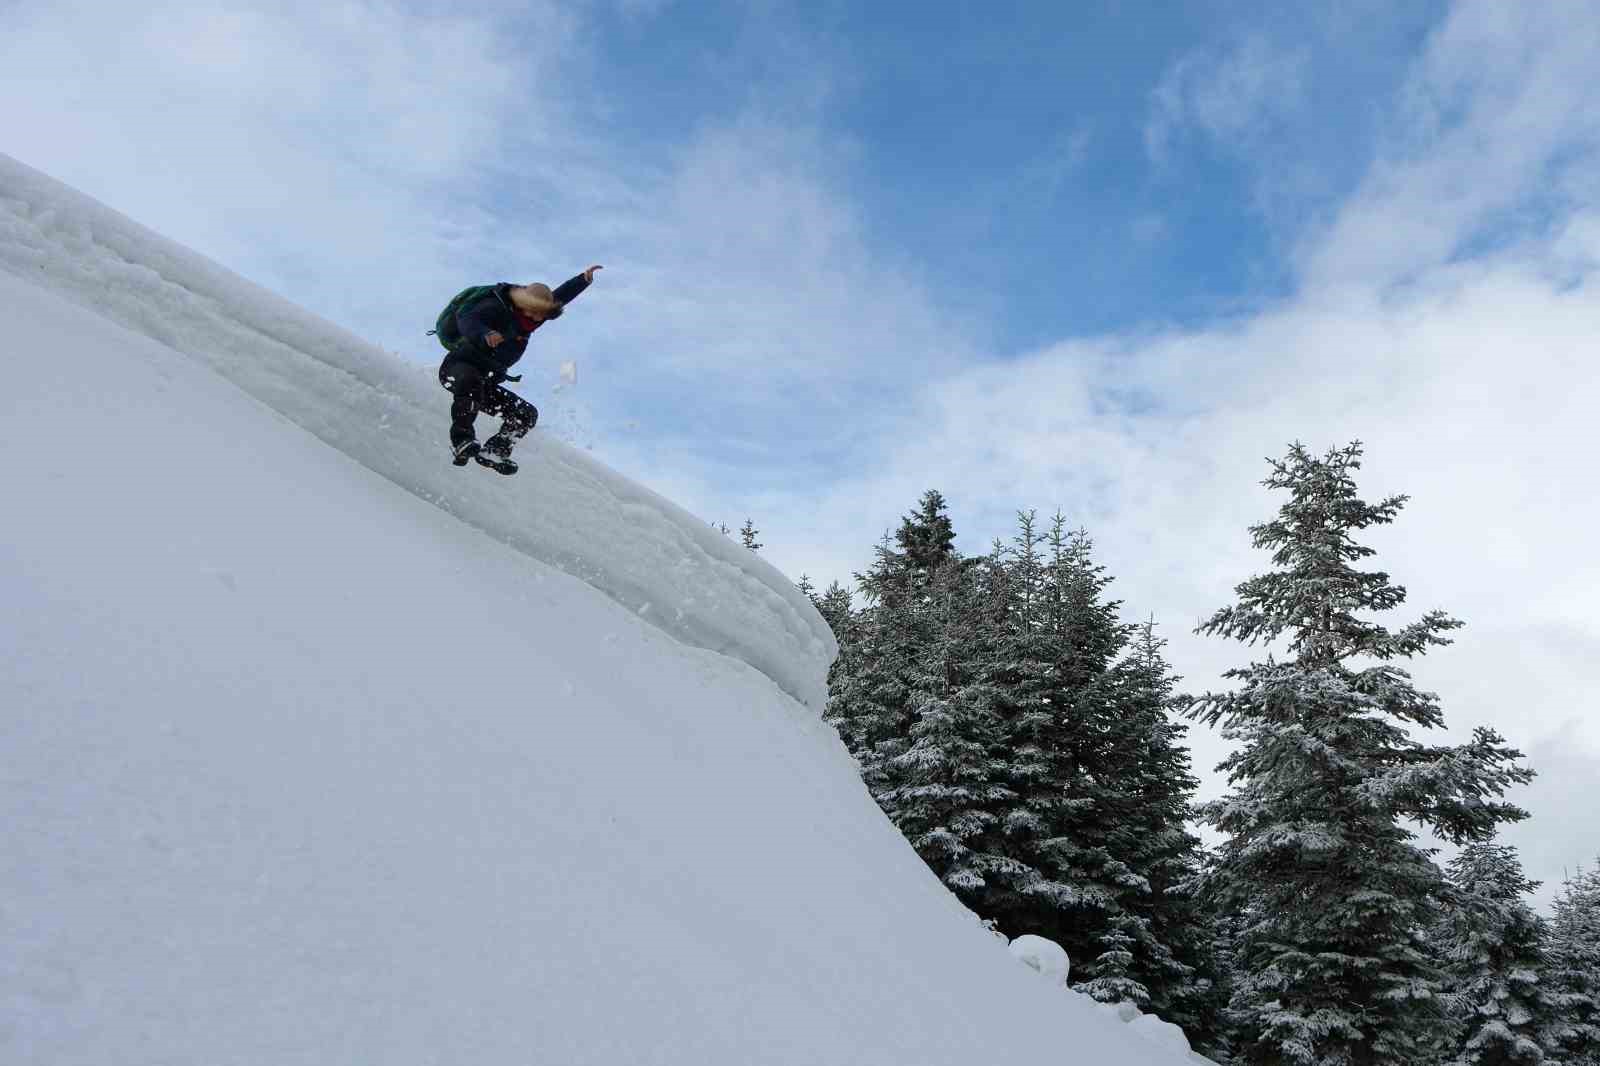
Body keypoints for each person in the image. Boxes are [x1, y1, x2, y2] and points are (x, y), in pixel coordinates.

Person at [438, 265, 602, 474]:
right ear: (522, 304)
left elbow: (560, 297)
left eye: (541, 315)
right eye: (533, 313)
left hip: (485, 382)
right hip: (457, 369)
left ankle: (495, 451)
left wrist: (583, 280)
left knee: (525, 414)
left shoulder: (532, 320)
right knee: (471, 382)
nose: (535, 320)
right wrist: (485, 334)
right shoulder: (495, 307)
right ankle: (462, 441)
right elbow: (467, 318)